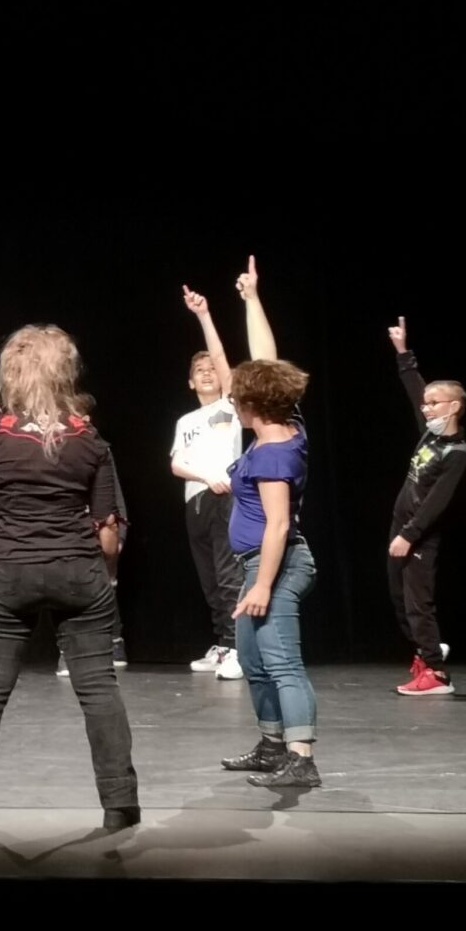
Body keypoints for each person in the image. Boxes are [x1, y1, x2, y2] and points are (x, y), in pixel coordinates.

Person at [0, 324, 139, 835]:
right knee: (98, 687)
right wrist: (106, 574)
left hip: (10, 571)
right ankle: (121, 805)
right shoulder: (89, 440)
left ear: (10, 374)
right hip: (79, 572)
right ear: (66, 373)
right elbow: (106, 525)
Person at [216, 256, 321, 788]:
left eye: (237, 398)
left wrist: (262, 585)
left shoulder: (275, 452)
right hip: (256, 565)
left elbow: (278, 525)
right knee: (254, 660)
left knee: (281, 662)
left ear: (253, 404)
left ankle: (301, 758)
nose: (232, 401)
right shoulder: (282, 423)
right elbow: (266, 361)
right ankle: (271, 744)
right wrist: (252, 299)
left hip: (275, 566)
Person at [384, 317, 466, 696]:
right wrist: (403, 352)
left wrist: (409, 535)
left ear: (454, 407)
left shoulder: (457, 453)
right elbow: (414, 388)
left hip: (419, 535)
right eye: (427, 404)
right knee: (399, 598)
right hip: (401, 527)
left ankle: (436, 673)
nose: (428, 408)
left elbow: (437, 503)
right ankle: (425, 650)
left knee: (418, 602)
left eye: (435, 404)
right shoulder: (429, 436)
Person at [173, 287, 246, 680]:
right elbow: (176, 464)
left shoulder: (229, 407)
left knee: (228, 571)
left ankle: (238, 647)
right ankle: (222, 643)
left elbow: (220, 358)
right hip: (197, 499)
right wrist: (204, 475)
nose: (206, 373)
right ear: (190, 383)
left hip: (225, 497)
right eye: (198, 371)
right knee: (209, 579)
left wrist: (203, 316)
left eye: (211, 369)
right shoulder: (185, 421)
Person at [57, 393, 128, 677]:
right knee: (68, 587)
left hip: (101, 524)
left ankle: (114, 642)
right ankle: (68, 653)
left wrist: (118, 531)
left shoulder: (99, 448)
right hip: (68, 528)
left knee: (104, 584)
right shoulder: (54, 446)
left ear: (86, 420)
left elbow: (113, 492)